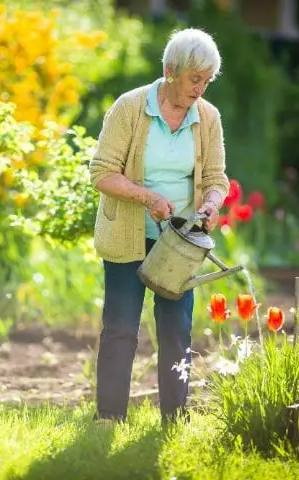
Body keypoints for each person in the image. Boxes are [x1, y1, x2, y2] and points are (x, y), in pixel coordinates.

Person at [88, 27, 229, 425]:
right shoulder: (129, 108)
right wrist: (147, 197)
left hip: (179, 243)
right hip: (127, 237)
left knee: (177, 330)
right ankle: (110, 416)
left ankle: (175, 416)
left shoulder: (208, 117)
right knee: (120, 327)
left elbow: (217, 178)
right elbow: (101, 173)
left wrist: (213, 202)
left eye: (206, 80)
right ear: (170, 70)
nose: (200, 89)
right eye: (193, 79)